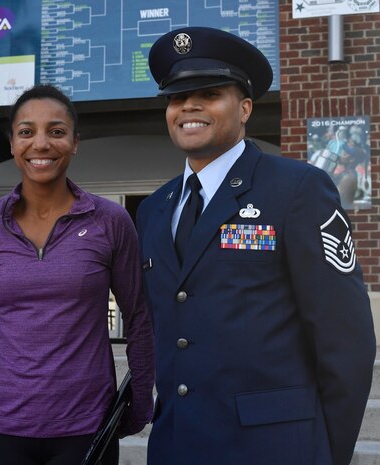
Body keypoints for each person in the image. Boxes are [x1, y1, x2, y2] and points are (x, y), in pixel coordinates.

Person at [138, 27, 375, 465]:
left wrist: (326, 452)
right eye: (175, 98)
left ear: (245, 107)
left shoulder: (298, 189)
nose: (188, 106)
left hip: (274, 449)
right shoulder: (154, 209)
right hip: (177, 446)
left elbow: (347, 340)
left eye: (208, 93)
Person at [0, 84, 154, 465]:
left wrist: (141, 397)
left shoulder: (110, 222)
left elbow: (139, 316)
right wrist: (22, 362)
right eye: (27, 132)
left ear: (75, 143)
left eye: (57, 131)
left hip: (85, 424)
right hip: (1, 422)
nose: (41, 144)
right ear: (12, 144)